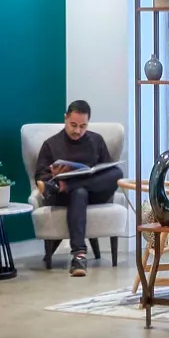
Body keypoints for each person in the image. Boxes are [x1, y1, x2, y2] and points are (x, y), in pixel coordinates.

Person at [32, 101, 120, 276]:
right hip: (64, 197)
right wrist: (54, 175)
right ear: (65, 118)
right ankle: (79, 256)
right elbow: (40, 178)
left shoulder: (96, 140)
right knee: (79, 193)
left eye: (83, 126)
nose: (78, 131)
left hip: (94, 193)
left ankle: (66, 185)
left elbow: (108, 170)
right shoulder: (51, 144)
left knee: (117, 173)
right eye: (73, 125)